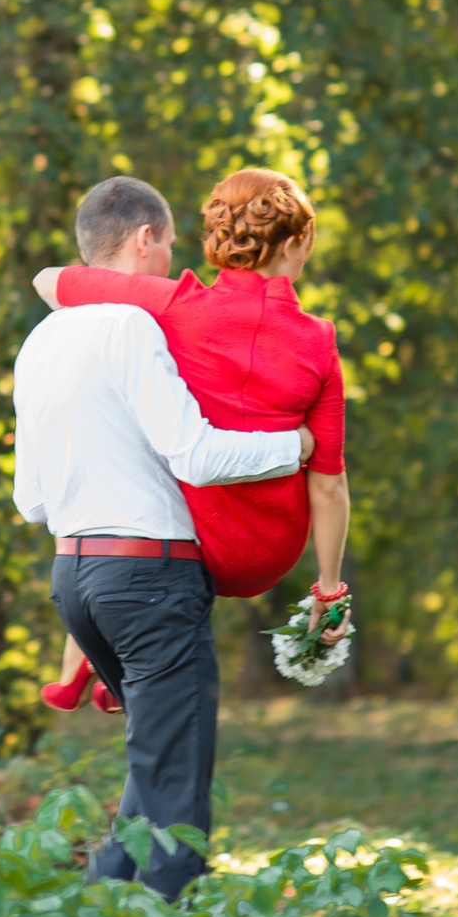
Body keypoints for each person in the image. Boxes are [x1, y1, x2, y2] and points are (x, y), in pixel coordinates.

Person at [13, 174, 313, 899]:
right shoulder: (132, 328)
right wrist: (294, 447)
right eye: (171, 244)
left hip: (74, 585)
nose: (177, 260)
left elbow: (30, 500)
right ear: (144, 238)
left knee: (152, 773)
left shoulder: (40, 341)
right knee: (177, 790)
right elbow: (198, 454)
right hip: (149, 578)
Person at [32, 167, 352, 709]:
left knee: (134, 434)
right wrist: (328, 590)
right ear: (298, 243)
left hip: (190, 533)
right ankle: (96, 660)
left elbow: (48, 282)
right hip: (264, 551)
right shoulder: (318, 341)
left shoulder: (177, 303)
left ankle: (88, 656)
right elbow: (328, 483)